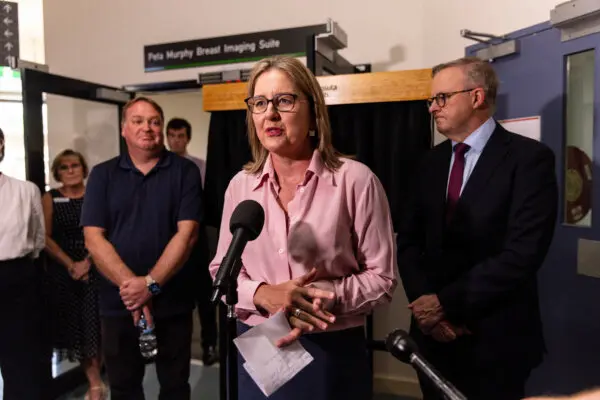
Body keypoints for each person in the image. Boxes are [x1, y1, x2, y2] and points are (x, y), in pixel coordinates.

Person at [209, 55, 397, 400]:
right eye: (260, 103)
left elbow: (382, 279)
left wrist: (319, 299)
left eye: (284, 100)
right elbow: (223, 268)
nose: (271, 114)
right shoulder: (240, 186)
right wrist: (263, 293)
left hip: (331, 348)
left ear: (313, 112)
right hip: (260, 345)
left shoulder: (356, 181)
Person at [397, 56, 558, 400]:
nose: (432, 108)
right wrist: (427, 313)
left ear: (476, 97)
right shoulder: (428, 163)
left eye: (442, 98)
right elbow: (408, 242)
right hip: (431, 339)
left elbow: (522, 255)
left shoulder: (529, 160)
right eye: (431, 100)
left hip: (494, 339)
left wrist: (445, 304)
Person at [81, 97, 202, 400]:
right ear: (124, 128)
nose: (147, 128)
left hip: (173, 301)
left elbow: (187, 235)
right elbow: (94, 239)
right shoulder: (102, 175)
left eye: (154, 121)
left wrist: (150, 285)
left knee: (175, 386)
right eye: (138, 121)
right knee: (123, 387)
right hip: (118, 303)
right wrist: (134, 290)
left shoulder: (185, 172)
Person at [42, 149, 105, 400]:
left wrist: (88, 263)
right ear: (57, 172)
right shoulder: (50, 197)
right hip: (64, 272)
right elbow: (44, 237)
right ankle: (94, 381)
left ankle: (96, 384)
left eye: (75, 166)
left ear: (83, 169)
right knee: (75, 330)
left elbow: (104, 231)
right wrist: (71, 264)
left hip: (95, 268)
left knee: (94, 328)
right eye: (64, 167)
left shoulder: (94, 195)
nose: (70, 171)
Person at [0, 127, 50, 399]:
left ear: (1, 145)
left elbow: (38, 238)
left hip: (17, 276)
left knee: (20, 360)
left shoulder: (25, 190)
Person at [166, 117, 218, 366]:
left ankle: (210, 344)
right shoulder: (162, 166)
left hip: (196, 238)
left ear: (187, 138)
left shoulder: (200, 166)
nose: (176, 140)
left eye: (180, 136)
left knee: (204, 294)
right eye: (172, 136)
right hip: (167, 238)